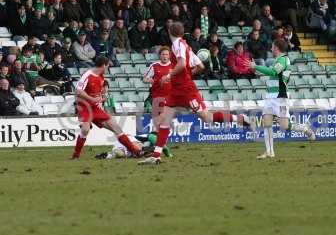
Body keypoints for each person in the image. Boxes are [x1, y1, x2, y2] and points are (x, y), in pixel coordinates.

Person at [138, 22, 250, 165]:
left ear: (169, 31)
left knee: (207, 118)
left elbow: (182, 64)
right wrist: (184, 75)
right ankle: (156, 155)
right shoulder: (185, 45)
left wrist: (170, 75)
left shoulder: (178, 44)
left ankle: (238, 118)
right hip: (176, 90)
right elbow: (200, 66)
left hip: (186, 90)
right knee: (164, 120)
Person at [244, 39, 315, 159]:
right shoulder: (278, 60)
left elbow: (272, 71)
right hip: (270, 97)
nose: (271, 49)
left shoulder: (283, 59)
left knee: (284, 126)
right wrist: (255, 69)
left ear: (276, 48)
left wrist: (256, 66)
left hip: (280, 97)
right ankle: (269, 151)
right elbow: (272, 74)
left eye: (272, 47)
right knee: (267, 122)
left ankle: (304, 128)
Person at [72, 56, 142, 159]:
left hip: (96, 109)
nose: (108, 68)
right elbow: (78, 91)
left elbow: (98, 92)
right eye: (108, 66)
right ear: (104, 65)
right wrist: (91, 99)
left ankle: (135, 152)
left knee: (117, 128)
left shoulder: (101, 76)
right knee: (85, 130)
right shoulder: (87, 75)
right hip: (85, 107)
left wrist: (102, 97)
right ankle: (76, 155)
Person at [143, 46, 172, 131]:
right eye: (163, 54)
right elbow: (144, 79)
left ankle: (158, 138)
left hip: (169, 96)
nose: (165, 56)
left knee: (163, 116)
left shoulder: (173, 66)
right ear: (160, 55)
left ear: (169, 55)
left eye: (166, 54)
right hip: (156, 95)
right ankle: (157, 138)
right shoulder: (154, 66)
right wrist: (149, 80)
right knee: (158, 120)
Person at [95, 133, 172, 159]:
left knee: (120, 154)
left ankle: (107, 155)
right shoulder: (149, 137)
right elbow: (154, 139)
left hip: (126, 147)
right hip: (128, 141)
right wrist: (167, 153)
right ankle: (110, 154)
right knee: (140, 148)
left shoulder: (148, 141)